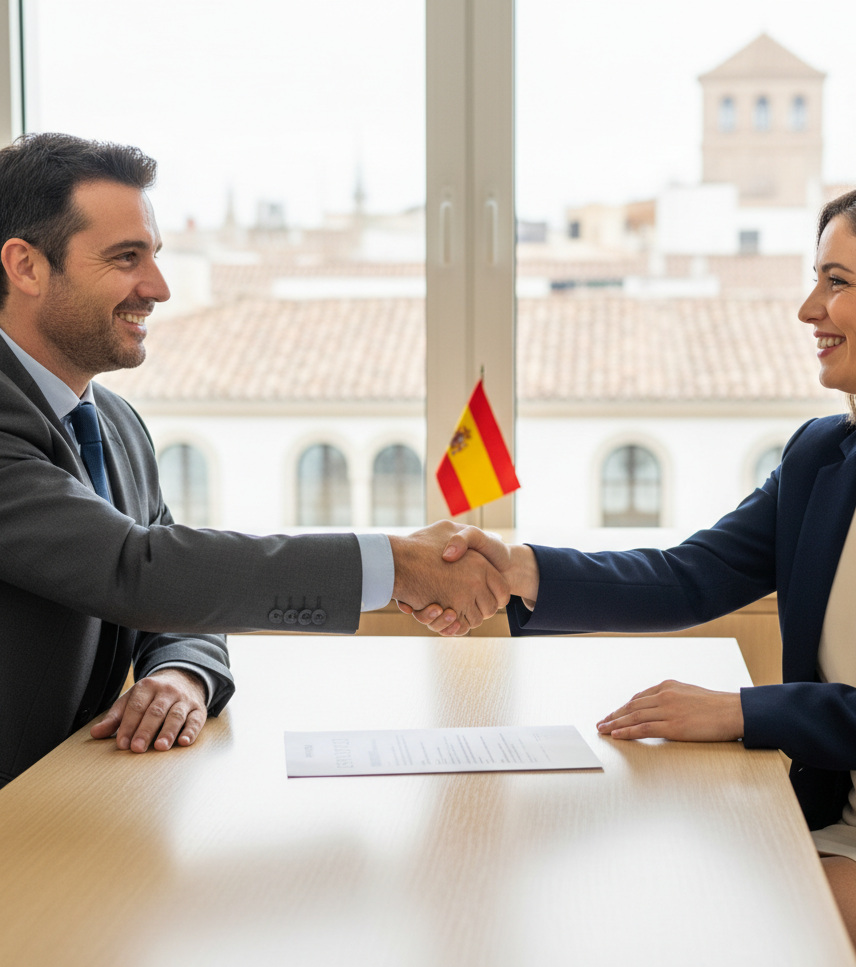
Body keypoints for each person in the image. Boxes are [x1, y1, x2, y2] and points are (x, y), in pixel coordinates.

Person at [405, 177, 856, 967]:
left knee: (732, 950)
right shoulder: (822, 461)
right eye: (815, 279)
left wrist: (743, 710)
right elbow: (691, 574)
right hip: (840, 832)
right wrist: (522, 570)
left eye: (838, 281)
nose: (810, 309)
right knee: (634, 895)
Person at [0, 132, 507, 787]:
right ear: (26, 266)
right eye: (126, 258)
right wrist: (397, 565)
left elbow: (182, 586)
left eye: (154, 256)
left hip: (74, 805)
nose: (158, 287)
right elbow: (137, 573)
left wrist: (180, 672)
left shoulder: (117, 426)